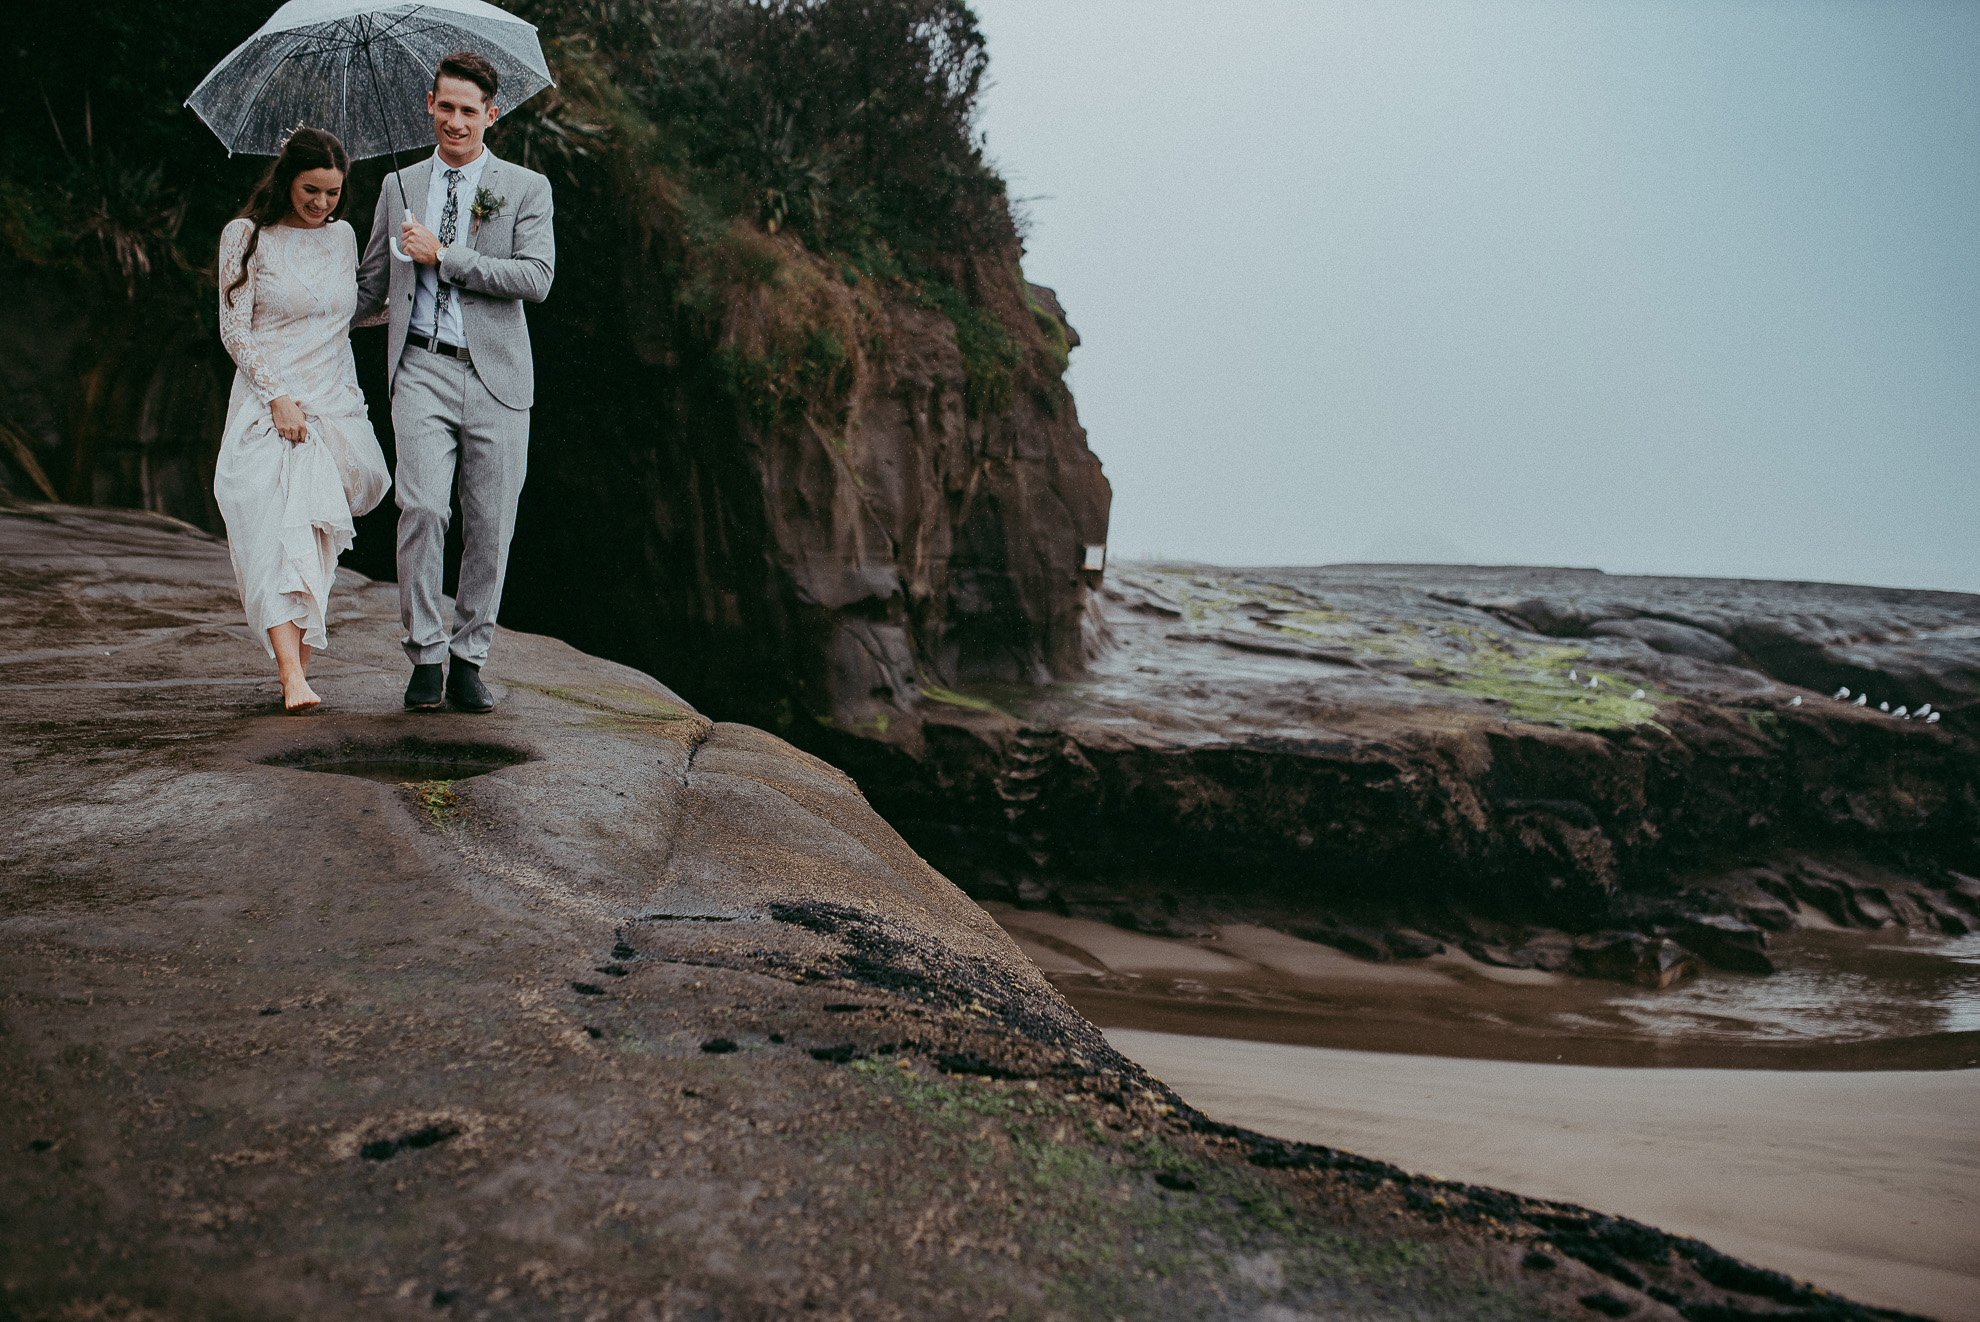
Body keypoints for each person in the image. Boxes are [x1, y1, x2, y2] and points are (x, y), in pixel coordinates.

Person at [353, 49, 556, 714]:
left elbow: (536, 278)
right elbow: (370, 285)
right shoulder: (398, 187)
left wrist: (447, 256)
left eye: (470, 111)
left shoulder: (525, 187)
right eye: (447, 107)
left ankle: (470, 657)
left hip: (497, 376)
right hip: (420, 367)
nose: (456, 121)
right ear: (430, 107)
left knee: (491, 524)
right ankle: (425, 656)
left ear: (491, 115)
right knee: (421, 509)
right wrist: (297, 309)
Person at [213, 126, 391, 713]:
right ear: (286, 178)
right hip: (272, 402)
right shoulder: (245, 235)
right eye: (311, 190)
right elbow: (234, 328)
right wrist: (276, 397)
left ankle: (297, 677)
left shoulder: (343, 237)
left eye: (333, 194)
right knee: (269, 532)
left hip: (333, 399)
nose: (321, 204)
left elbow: (340, 315)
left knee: (313, 541)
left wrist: (414, 288)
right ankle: (292, 675)